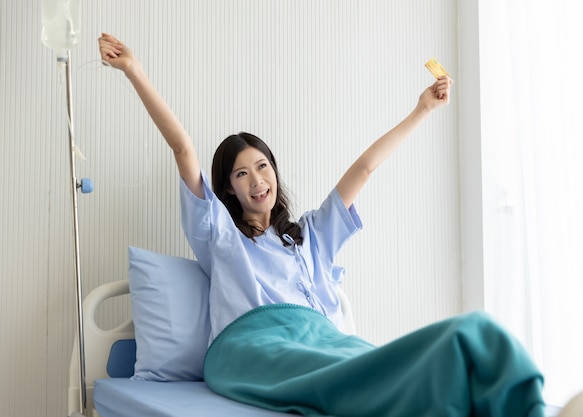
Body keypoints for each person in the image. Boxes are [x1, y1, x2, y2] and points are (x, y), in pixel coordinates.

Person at [98, 32, 546, 417]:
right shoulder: (220, 234)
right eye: (241, 173)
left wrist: (422, 110)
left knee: (375, 359)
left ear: (274, 171)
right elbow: (182, 147)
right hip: (251, 348)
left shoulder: (308, 236)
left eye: (262, 166)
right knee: (391, 365)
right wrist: (134, 70)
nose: (257, 180)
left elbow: (366, 169)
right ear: (228, 189)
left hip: (322, 340)